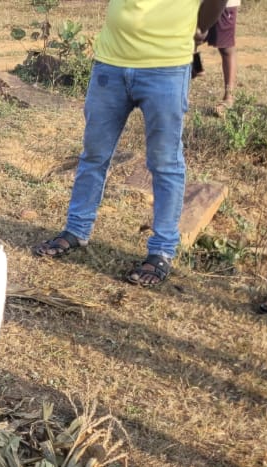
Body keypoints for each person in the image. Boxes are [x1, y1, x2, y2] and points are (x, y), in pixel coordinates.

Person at [32, 0, 228, 287]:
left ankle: (161, 250)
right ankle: (76, 230)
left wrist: (201, 26)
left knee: (164, 163)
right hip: (110, 62)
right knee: (94, 154)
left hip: (167, 65)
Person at [203, 0, 240, 116]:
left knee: (226, 49)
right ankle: (181, 93)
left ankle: (229, 98)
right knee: (189, 43)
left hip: (224, 4)